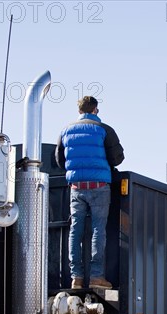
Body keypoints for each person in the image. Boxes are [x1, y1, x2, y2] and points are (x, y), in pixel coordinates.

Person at [55, 96, 124, 289]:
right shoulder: (104, 130)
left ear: (79, 111)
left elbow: (59, 161)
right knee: (97, 231)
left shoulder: (65, 132)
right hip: (99, 187)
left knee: (75, 231)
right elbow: (118, 158)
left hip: (76, 189)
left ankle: (76, 278)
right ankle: (96, 278)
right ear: (95, 110)